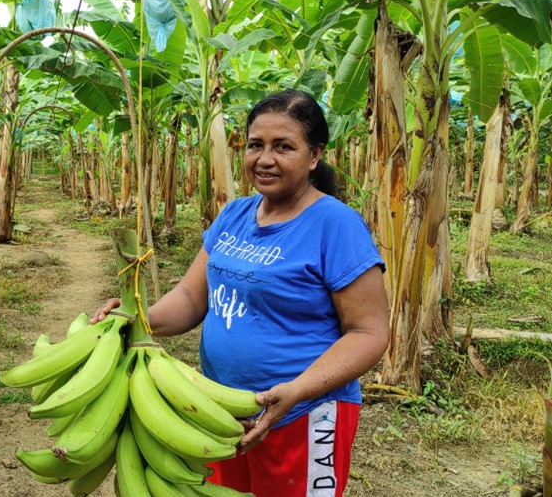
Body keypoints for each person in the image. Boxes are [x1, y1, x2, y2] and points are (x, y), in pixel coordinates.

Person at [92, 89, 389, 496]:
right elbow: (194, 298)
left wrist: (297, 390)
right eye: (255, 145)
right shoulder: (234, 213)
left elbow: (369, 333)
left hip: (302, 414)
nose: (265, 158)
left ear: (315, 155)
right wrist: (136, 318)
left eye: (283, 146)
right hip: (223, 411)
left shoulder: (336, 225)